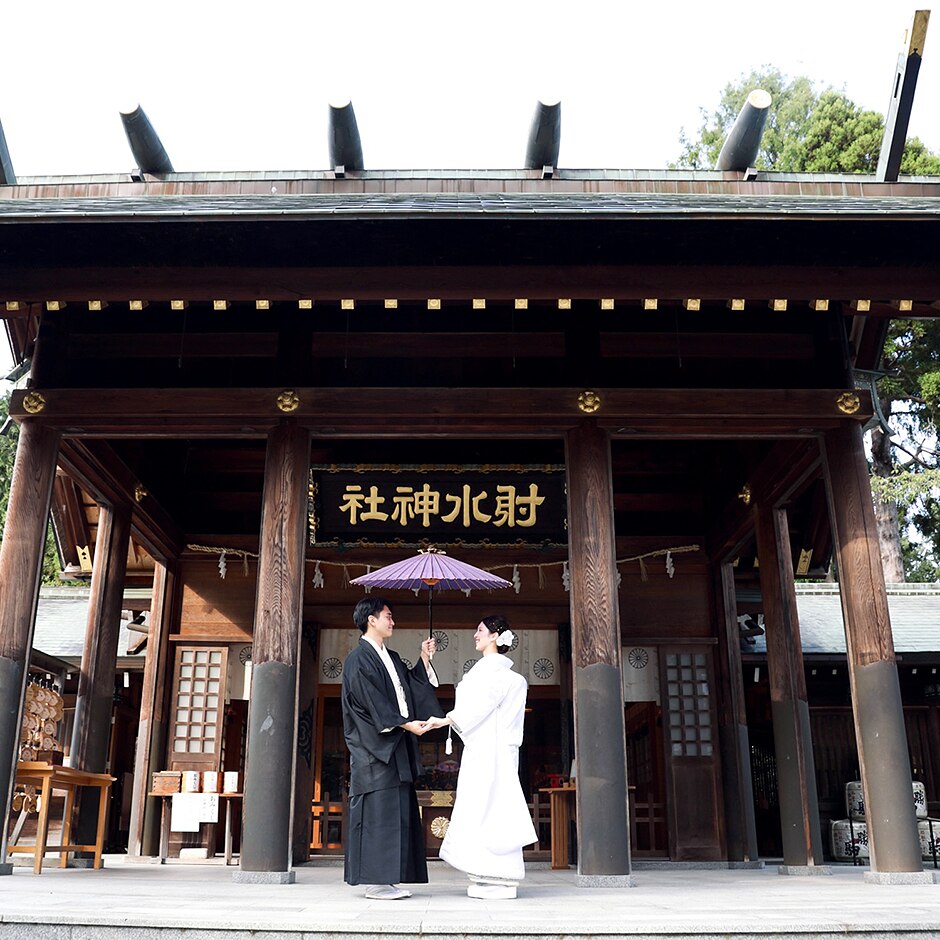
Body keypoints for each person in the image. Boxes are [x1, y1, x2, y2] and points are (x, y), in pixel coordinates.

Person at [422, 615, 537, 899]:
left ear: (495, 636)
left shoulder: (500, 676)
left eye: (481, 630)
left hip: (491, 750)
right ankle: (486, 871)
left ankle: (499, 873)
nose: (476, 635)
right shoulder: (503, 676)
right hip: (488, 749)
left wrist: (446, 720)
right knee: (486, 805)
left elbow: (480, 706)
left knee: (490, 806)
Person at [341, 596, 441, 900]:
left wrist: (424, 658)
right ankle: (375, 882)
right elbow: (371, 703)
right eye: (388, 616)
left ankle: (388, 879)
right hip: (374, 750)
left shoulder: (392, 657)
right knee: (377, 815)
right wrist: (405, 724)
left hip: (395, 747)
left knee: (396, 815)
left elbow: (409, 687)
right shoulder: (358, 660)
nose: (392, 621)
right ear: (371, 619)